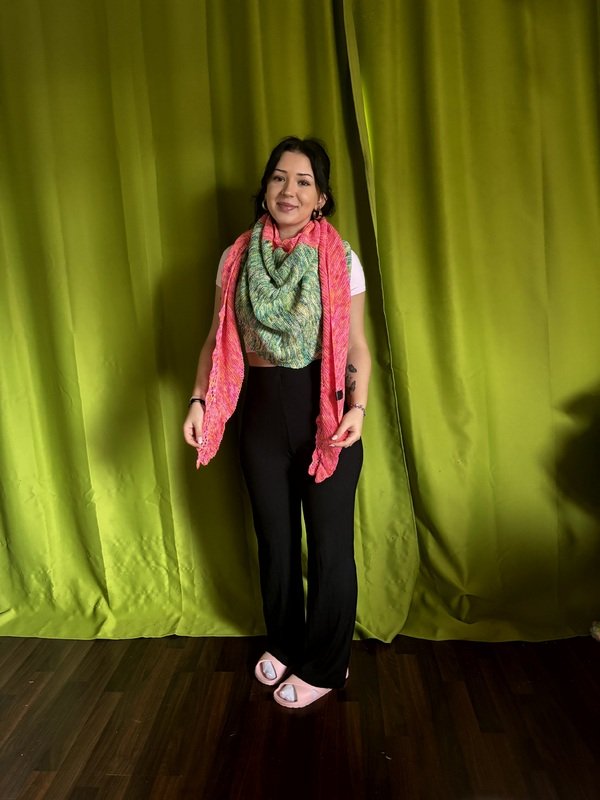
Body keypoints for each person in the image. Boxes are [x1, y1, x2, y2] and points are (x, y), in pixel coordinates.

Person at [183, 136, 371, 709]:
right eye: (279, 178)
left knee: (330, 547)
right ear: (265, 187)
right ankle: (286, 642)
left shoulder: (341, 260)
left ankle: (327, 665)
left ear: (321, 198)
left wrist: (357, 409)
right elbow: (216, 339)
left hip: (326, 413)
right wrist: (198, 400)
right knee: (276, 542)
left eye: (304, 181)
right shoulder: (236, 257)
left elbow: (356, 345)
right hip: (260, 414)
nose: (289, 190)